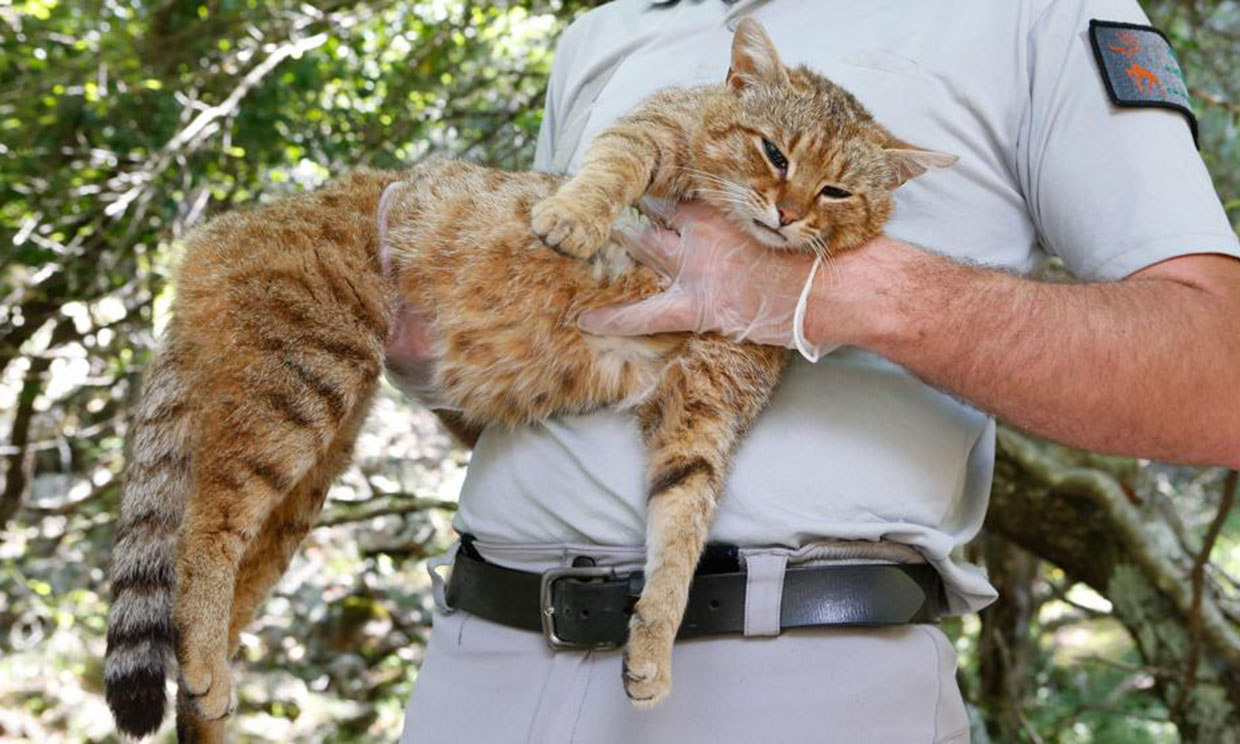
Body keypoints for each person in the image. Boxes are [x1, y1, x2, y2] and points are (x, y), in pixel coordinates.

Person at [391, 1, 1240, 741]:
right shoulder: (603, 32)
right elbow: (523, 399)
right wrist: (433, 359)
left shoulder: (1034, 13)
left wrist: (834, 293)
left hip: (794, 673)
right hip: (480, 651)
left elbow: (1221, 369)